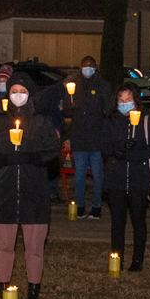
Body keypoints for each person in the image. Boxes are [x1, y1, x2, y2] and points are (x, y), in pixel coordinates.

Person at [0, 73, 61, 299]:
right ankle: (4, 291)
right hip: (4, 193)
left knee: (34, 247)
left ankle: (33, 295)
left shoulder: (41, 122)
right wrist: (0, 159)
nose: (18, 95)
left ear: (30, 95)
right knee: (3, 246)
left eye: (23, 91)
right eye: (14, 90)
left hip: (33, 192)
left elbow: (53, 152)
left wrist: (35, 157)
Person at [100, 86, 150, 271]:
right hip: (116, 178)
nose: (125, 104)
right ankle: (117, 258)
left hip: (138, 178)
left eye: (128, 100)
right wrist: (119, 148)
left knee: (138, 220)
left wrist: (135, 154)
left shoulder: (146, 120)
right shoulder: (111, 120)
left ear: (135, 101)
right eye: (121, 100)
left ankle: (137, 260)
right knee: (118, 221)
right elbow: (105, 146)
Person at [66, 55, 115, 219]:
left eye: (91, 66)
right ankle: (79, 207)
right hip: (79, 137)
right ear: (80, 68)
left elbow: (109, 109)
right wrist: (69, 106)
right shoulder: (73, 85)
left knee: (97, 175)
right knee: (79, 176)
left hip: (96, 137)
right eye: (85, 66)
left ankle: (96, 207)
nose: (88, 69)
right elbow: (66, 109)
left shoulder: (102, 86)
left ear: (95, 68)